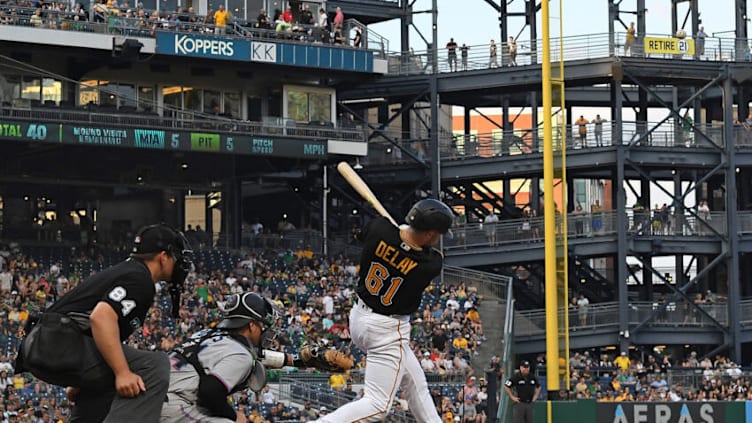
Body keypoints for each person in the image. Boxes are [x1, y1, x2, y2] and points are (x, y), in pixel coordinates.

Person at [17, 224, 193, 423]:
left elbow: (97, 330)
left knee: (109, 381)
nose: (179, 263)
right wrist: (122, 372)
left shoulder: (128, 271)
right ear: (163, 256)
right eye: (175, 257)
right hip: (55, 343)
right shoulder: (139, 277)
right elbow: (101, 317)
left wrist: (86, 380)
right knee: (154, 365)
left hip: (44, 345)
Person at [312, 198, 454, 423]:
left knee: (415, 382)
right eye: (437, 234)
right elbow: (428, 254)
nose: (437, 239)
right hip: (387, 330)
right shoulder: (428, 265)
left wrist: (396, 236)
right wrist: (401, 242)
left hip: (359, 318)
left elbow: (368, 235)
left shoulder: (380, 228)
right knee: (378, 405)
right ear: (429, 234)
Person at [162, 291, 319, 422]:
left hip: (158, 395)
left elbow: (257, 356)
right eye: (262, 324)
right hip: (173, 406)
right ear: (251, 325)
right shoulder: (241, 354)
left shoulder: (207, 334)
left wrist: (299, 361)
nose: (265, 330)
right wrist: (235, 416)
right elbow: (210, 392)